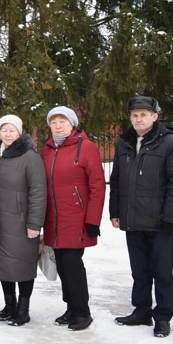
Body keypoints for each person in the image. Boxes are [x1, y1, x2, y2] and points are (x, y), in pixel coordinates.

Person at [110, 96, 173, 338]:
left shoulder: (170, 143)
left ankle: (163, 316)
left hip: (159, 222)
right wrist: (115, 212)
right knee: (139, 271)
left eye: (143, 114)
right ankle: (141, 310)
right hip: (133, 220)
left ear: (155, 117)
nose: (138, 119)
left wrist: (170, 217)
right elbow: (116, 181)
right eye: (134, 115)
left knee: (162, 272)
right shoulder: (124, 143)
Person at [41, 106, 106, 331]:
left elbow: (98, 186)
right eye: (54, 122)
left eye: (62, 121)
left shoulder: (86, 148)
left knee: (72, 265)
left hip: (76, 218)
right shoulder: (48, 149)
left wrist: (93, 220)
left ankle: (82, 312)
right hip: (54, 219)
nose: (58, 126)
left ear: (72, 124)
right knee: (61, 266)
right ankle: (71, 308)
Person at [0, 114, 46, 327]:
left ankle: (23, 309)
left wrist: (34, 224)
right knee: (4, 265)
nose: (7, 134)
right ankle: (9, 305)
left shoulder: (30, 157)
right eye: (4, 129)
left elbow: (38, 192)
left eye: (12, 130)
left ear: (19, 132)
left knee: (22, 266)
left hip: (21, 223)